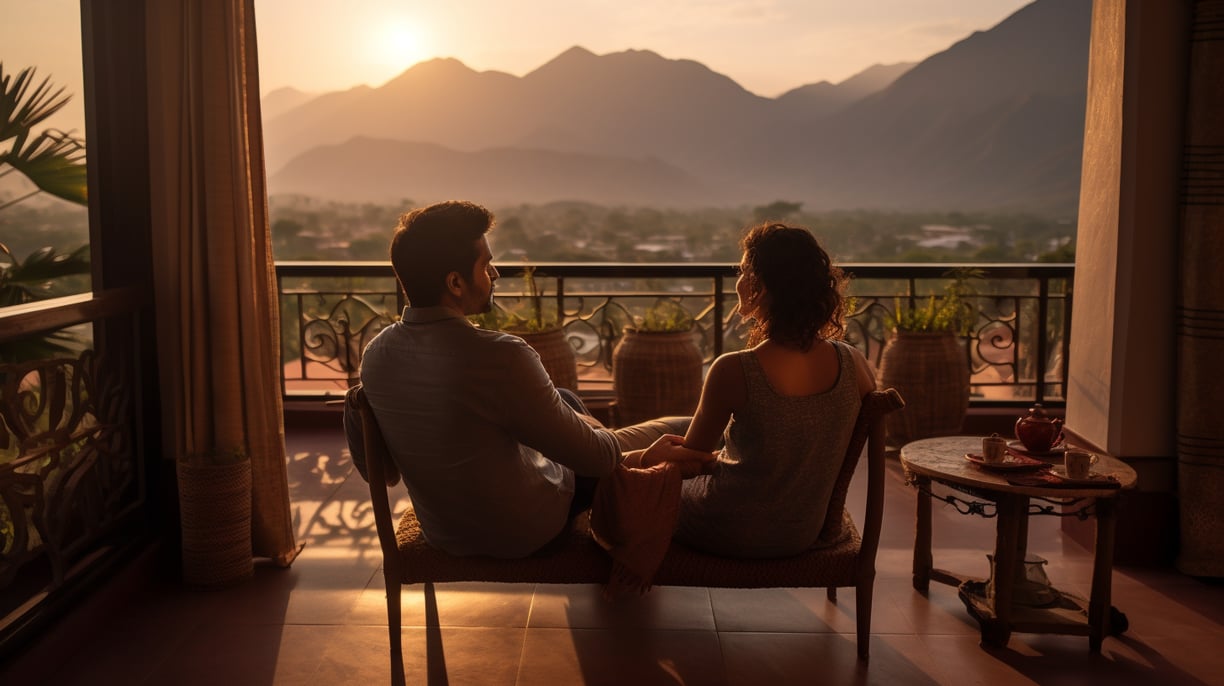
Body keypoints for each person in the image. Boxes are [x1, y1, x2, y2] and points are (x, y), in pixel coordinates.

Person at [348, 200, 711, 559]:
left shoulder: (377, 354)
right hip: (523, 531)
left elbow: (381, 474)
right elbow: (599, 460)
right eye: (486, 265)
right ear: (455, 282)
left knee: (565, 398)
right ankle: (636, 478)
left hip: (445, 532)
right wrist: (613, 445)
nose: (495, 275)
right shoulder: (499, 355)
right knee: (665, 430)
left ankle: (617, 453)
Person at [673, 222, 877, 557]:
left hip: (728, 526)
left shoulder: (735, 369)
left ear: (759, 285)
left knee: (637, 488)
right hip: (801, 531)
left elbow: (690, 460)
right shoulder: (854, 364)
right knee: (671, 429)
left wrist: (644, 459)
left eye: (742, 271)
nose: (737, 281)